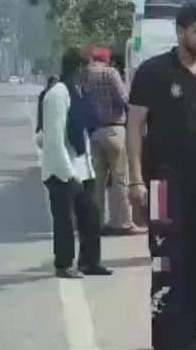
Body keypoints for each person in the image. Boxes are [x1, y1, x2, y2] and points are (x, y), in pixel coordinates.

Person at [127, 3, 196, 350]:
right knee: (165, 262)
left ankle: (190, 334)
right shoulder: (153, 72)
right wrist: (135, 181)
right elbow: (134, 128)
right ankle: (166, 348)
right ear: (180, 31)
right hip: (162, 186)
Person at [40, 49, 109, 279]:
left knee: (91, 216)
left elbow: (84, 134)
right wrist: (67, 173)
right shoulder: (58, 94)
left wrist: (86, 169)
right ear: (79, 69)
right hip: (61, 170)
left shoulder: (80, 92)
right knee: (65, 221)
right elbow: (54, 138)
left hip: (82, 168)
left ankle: (89, 262)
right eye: (89, 67)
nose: (92, 72)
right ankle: (64, 264)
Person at [82, 47, 140, 236]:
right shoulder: (110, 73)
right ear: (106, 60)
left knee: (97, 182)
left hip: (95, 133)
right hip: (115, 130)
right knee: (119, 179)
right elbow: (125, 99)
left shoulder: (85, 76)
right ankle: (121, 222)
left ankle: (95, 223)